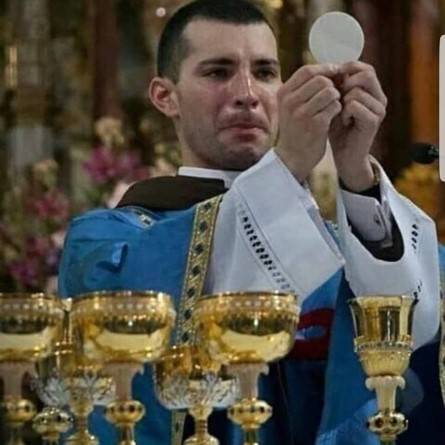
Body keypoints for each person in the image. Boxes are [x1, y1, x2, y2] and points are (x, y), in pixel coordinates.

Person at [58, 1, 445, 444]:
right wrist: (291, 162)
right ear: (166, 96)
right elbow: (143, 317)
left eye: (264, 72)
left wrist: (356, 173)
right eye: (218, 72)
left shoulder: (342, 241)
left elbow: (418, 322)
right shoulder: (106, 241)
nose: (247, 92)